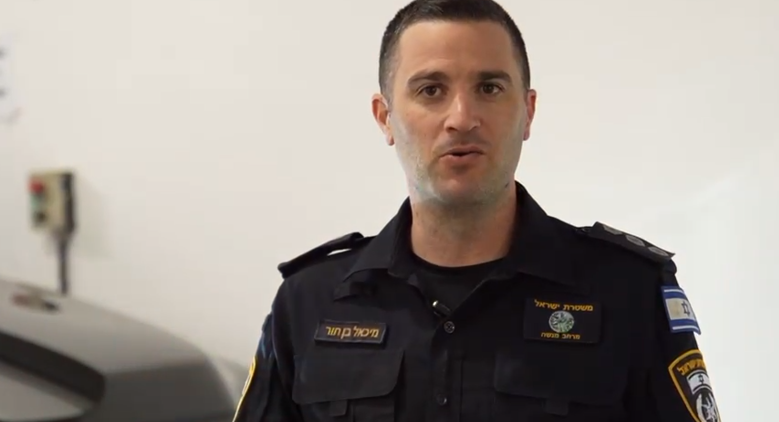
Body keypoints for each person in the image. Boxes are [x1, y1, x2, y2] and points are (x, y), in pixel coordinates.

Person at [232, 0, 720, 421]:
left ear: (527, 112)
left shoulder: (629, 294)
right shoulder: (308, 303)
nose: (462, 118)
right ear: (385, 118)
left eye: (489, 88)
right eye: (430, 90)